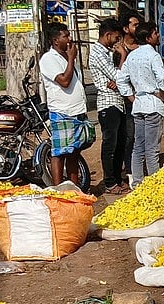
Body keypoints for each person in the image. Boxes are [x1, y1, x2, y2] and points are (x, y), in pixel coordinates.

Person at [116, 21, 164, 189]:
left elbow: (120, 79)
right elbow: (162, 78)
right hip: (152, 105)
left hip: (138, 105)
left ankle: (137, 182)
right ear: (148, 37)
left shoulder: (132, 56)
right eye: (155, 33)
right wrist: (161, 94)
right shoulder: (153, 55)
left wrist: (132, 97)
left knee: (138, 147)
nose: (158, 35)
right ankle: (155, 183)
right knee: (152, 149)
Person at [39, 22, 90, 187]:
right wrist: (71, 59)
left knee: (74, 151)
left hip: (76, 111)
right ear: (55, 40)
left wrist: (70, 59)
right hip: (62, 112)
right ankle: (58, 188)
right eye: (65, 36)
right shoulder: (48, 59)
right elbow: (64, 81)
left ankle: (74, 188)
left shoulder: (68, 57)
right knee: (59, 153)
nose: (69, 39)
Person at [89, 18, 129, 195]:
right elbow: (117, 76)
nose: (118, 42)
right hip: (108, 103)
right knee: (110, 145)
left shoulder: (107, 52)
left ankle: (117, 179)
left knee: (121, 142)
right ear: (107, 35)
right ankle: (110, 182)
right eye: (116, 37)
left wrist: (117, 80)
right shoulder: (97, 53)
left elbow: (117, 80)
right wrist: (124, 57)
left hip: (117, 102)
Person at [118, 12, 141, 181]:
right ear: (126, 29)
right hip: (124, 99)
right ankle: (129, 169)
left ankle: (138, 166)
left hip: (140, 97)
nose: (137, 28)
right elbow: (116, 76)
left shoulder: (143, 47)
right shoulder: (118, 49)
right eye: (135, 25)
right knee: (129, 135)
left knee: (141, 135)